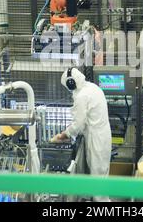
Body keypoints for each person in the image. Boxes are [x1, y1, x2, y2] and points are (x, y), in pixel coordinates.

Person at [52, 67, 112, 202]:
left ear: (71, 83)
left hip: (96, 137)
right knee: (101, 173)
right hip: (102, 133)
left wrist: (64, 135)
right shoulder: (92, 87)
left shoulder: (81, 96)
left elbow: (79, 124)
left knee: (98, 176)